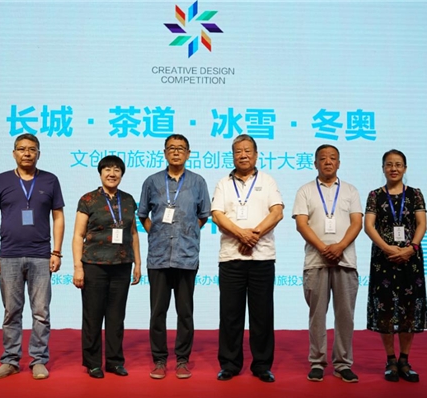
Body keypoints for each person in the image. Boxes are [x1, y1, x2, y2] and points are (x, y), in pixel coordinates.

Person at [0, 133, 65, 380]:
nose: (27, 153)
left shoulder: (50, 180)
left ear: (39, 153)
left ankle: (38, 360)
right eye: (21, 149)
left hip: (41, 256)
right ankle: (10, 360)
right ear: (14, 153)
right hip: (9, 255)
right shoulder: (1, 180)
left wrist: (56, 252)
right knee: (11, 311)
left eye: (32, 149)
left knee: (41, 312)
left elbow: (58, 217)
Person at [211, 134, 283, 383]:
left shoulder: (267, 181)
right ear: (233, 156)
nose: (243, 155)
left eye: (247, 151)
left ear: (256, 154)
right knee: (230, 315)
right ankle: (229, 364)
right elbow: (217, 215)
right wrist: (240, 234)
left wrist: (254, 234)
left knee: (262, 315)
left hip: (262, 258)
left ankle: (262, 365)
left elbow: (277, 212)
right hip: (231, 258)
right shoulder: (223, 183)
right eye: (238, 151)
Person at [138, 134, 211, 379]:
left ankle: (182, 360)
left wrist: (187, 233)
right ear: (165, 152)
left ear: (188, 153)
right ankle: (159, 360)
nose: (176, 152)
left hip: (186, 257)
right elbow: (142, 214)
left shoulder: (198, 182)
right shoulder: (152, 181)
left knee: (185, 313)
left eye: (181, 148)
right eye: (171, 148)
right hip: (158, 257)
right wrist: (157, 233)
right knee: (158, 312)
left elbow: (203, 215)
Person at [292, 144, 362, 383]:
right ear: (315, 163)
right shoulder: (305, 191)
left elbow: (357, 223)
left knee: (345, 316)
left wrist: (340, 247)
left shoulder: (351, 191)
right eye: (323, 158)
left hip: (346, 261)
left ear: (339, 163)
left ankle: (343, 363)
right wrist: (323, 248)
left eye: (333, 158)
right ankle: (317, 362)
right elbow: (302, 224)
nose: (328, 162)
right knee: (317, 315)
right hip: (316, 261)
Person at [72, 155, 141, 379]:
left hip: (122, 265)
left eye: (117, 170)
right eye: (108, 169)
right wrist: (78, 267)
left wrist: (138, 263)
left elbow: (133, 233)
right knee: (93, 317)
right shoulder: (88, 199)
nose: (112, 174)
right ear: (100, 173)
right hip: (94, 265)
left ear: (122, 174)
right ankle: (93, 363)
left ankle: (114, 361)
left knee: (116, 317)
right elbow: (78, 235)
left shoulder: (128, 200)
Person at [364, 149, 427, 383]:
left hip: (411, 259)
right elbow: (368, 226)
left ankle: (404, 360)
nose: (394, 168)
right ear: (383, 168)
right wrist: (388, 248)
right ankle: (390, 360)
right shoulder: (375, 195)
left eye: (398, 164)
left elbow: (421, 224)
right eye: (389, 164)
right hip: (384, 260)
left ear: (405, 168)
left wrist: (411, 248)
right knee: (385, 308)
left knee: (409, 308)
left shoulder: (415, 194)